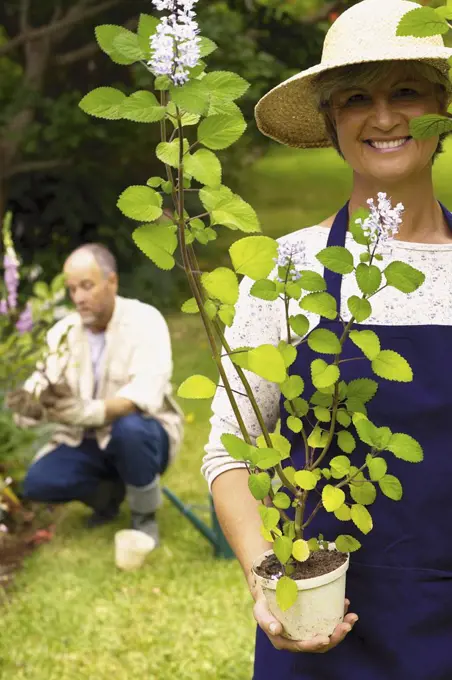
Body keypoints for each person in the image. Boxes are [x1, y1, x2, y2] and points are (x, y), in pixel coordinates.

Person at [202, 0, 452, 677]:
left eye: (406, 91)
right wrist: (268, 580)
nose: (382, 116)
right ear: (331, 122)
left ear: (441, 111)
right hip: (319, 624)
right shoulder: (289, 268)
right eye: (354, 98)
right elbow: (229, 453)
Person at [8, 243, 183, 547]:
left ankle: (144, 517)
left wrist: (89, 412)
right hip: (87, 440)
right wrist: (30, 402)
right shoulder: (63, 333)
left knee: (130, 430)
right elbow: (43, 380)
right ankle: (108, 496)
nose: (78, 298)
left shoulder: (145, 321)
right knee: (38, 482)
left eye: (87, 286)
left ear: (111, 281)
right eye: (72, 289)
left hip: (145, 435)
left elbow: (143, 395)